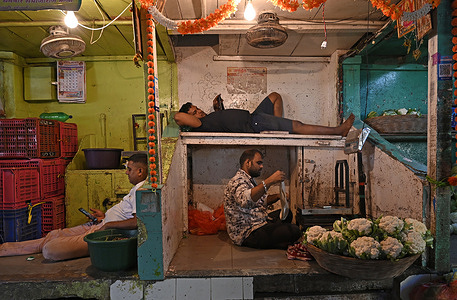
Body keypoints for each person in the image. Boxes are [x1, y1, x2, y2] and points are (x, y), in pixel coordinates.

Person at [0, 153, 148, 261]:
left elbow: (137, 222)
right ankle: (5, 248)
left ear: (140, 171)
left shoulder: (142, 189)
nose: (126, 172)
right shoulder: (136, 188)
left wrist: (108, 225)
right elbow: (126, 214)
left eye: (129, 169)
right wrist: (104, 217)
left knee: (50, 249)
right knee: (53, 235)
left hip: (105, 233)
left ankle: (7, 249)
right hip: (101, 224)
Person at [174, 92, 355, 136]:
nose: (199, 111)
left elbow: (226, 123)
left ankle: (277, 127)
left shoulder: (209, 120)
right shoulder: (200, 125)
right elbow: (177, 117)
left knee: (275, 97)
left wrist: (217, 110)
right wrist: (188, 117)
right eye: (194, 113)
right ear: (190, 119)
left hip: (254, 117)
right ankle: (338, 130)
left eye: (197, 108)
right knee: (297, 125)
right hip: (254, 124)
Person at [224, 149, 302, 249]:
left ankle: (277, 242)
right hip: (248, 232)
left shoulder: (249, 179)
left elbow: (261, 200)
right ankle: (277, 243)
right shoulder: (237, 181)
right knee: (294, 230)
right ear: (248, 162)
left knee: (287, 215)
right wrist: (270, 181)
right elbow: (245, 200)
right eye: (259, 163)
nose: (262, 166)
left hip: (259, 221)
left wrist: (278, 196)